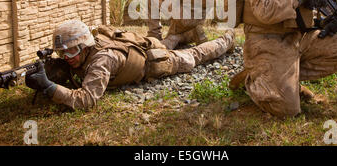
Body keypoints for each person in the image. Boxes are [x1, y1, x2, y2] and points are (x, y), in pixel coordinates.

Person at [26, 19, 234, 110]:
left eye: (72, 50)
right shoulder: (85, 47)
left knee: (194, 55)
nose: (67, 57)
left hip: (155, 62)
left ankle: (227, 40)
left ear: (86, 45)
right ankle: (181, 35)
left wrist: (50, 87)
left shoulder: (102, 61)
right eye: (62, 53)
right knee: (167, 43)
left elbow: (86, 100)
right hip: (141, 46)